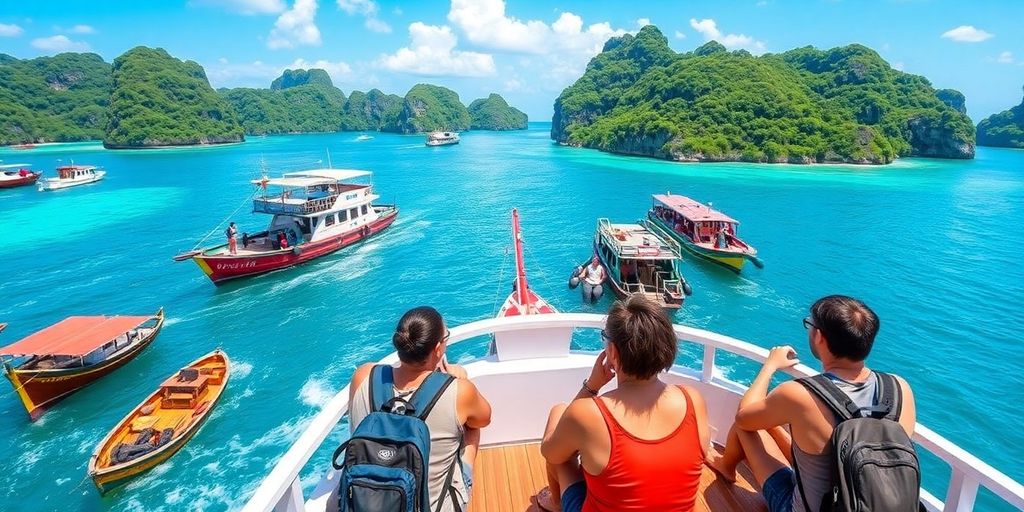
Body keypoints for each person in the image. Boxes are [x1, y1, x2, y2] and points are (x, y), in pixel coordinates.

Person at [707, 295, 916, 512]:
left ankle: (725, 467)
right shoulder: (900, 388)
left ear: (819, 336)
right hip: (874, 499)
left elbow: (744, 416)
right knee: (772, 423)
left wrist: (770, 366)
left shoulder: (801, 394)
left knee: (745, 426)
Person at [538, 294, 711, 512]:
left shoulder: (588, 413)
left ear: (612, 352)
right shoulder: (693, 399)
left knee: (559, 416)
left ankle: (555, 503)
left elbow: (551, 453)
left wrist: (591, 386)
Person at [343, 306, 493, 512]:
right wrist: (458, 380)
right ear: (438, 349)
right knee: (471, 429)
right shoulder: (460, 390)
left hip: (365, 499)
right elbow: (484, 418)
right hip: (430, 507)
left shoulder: (364, 375)